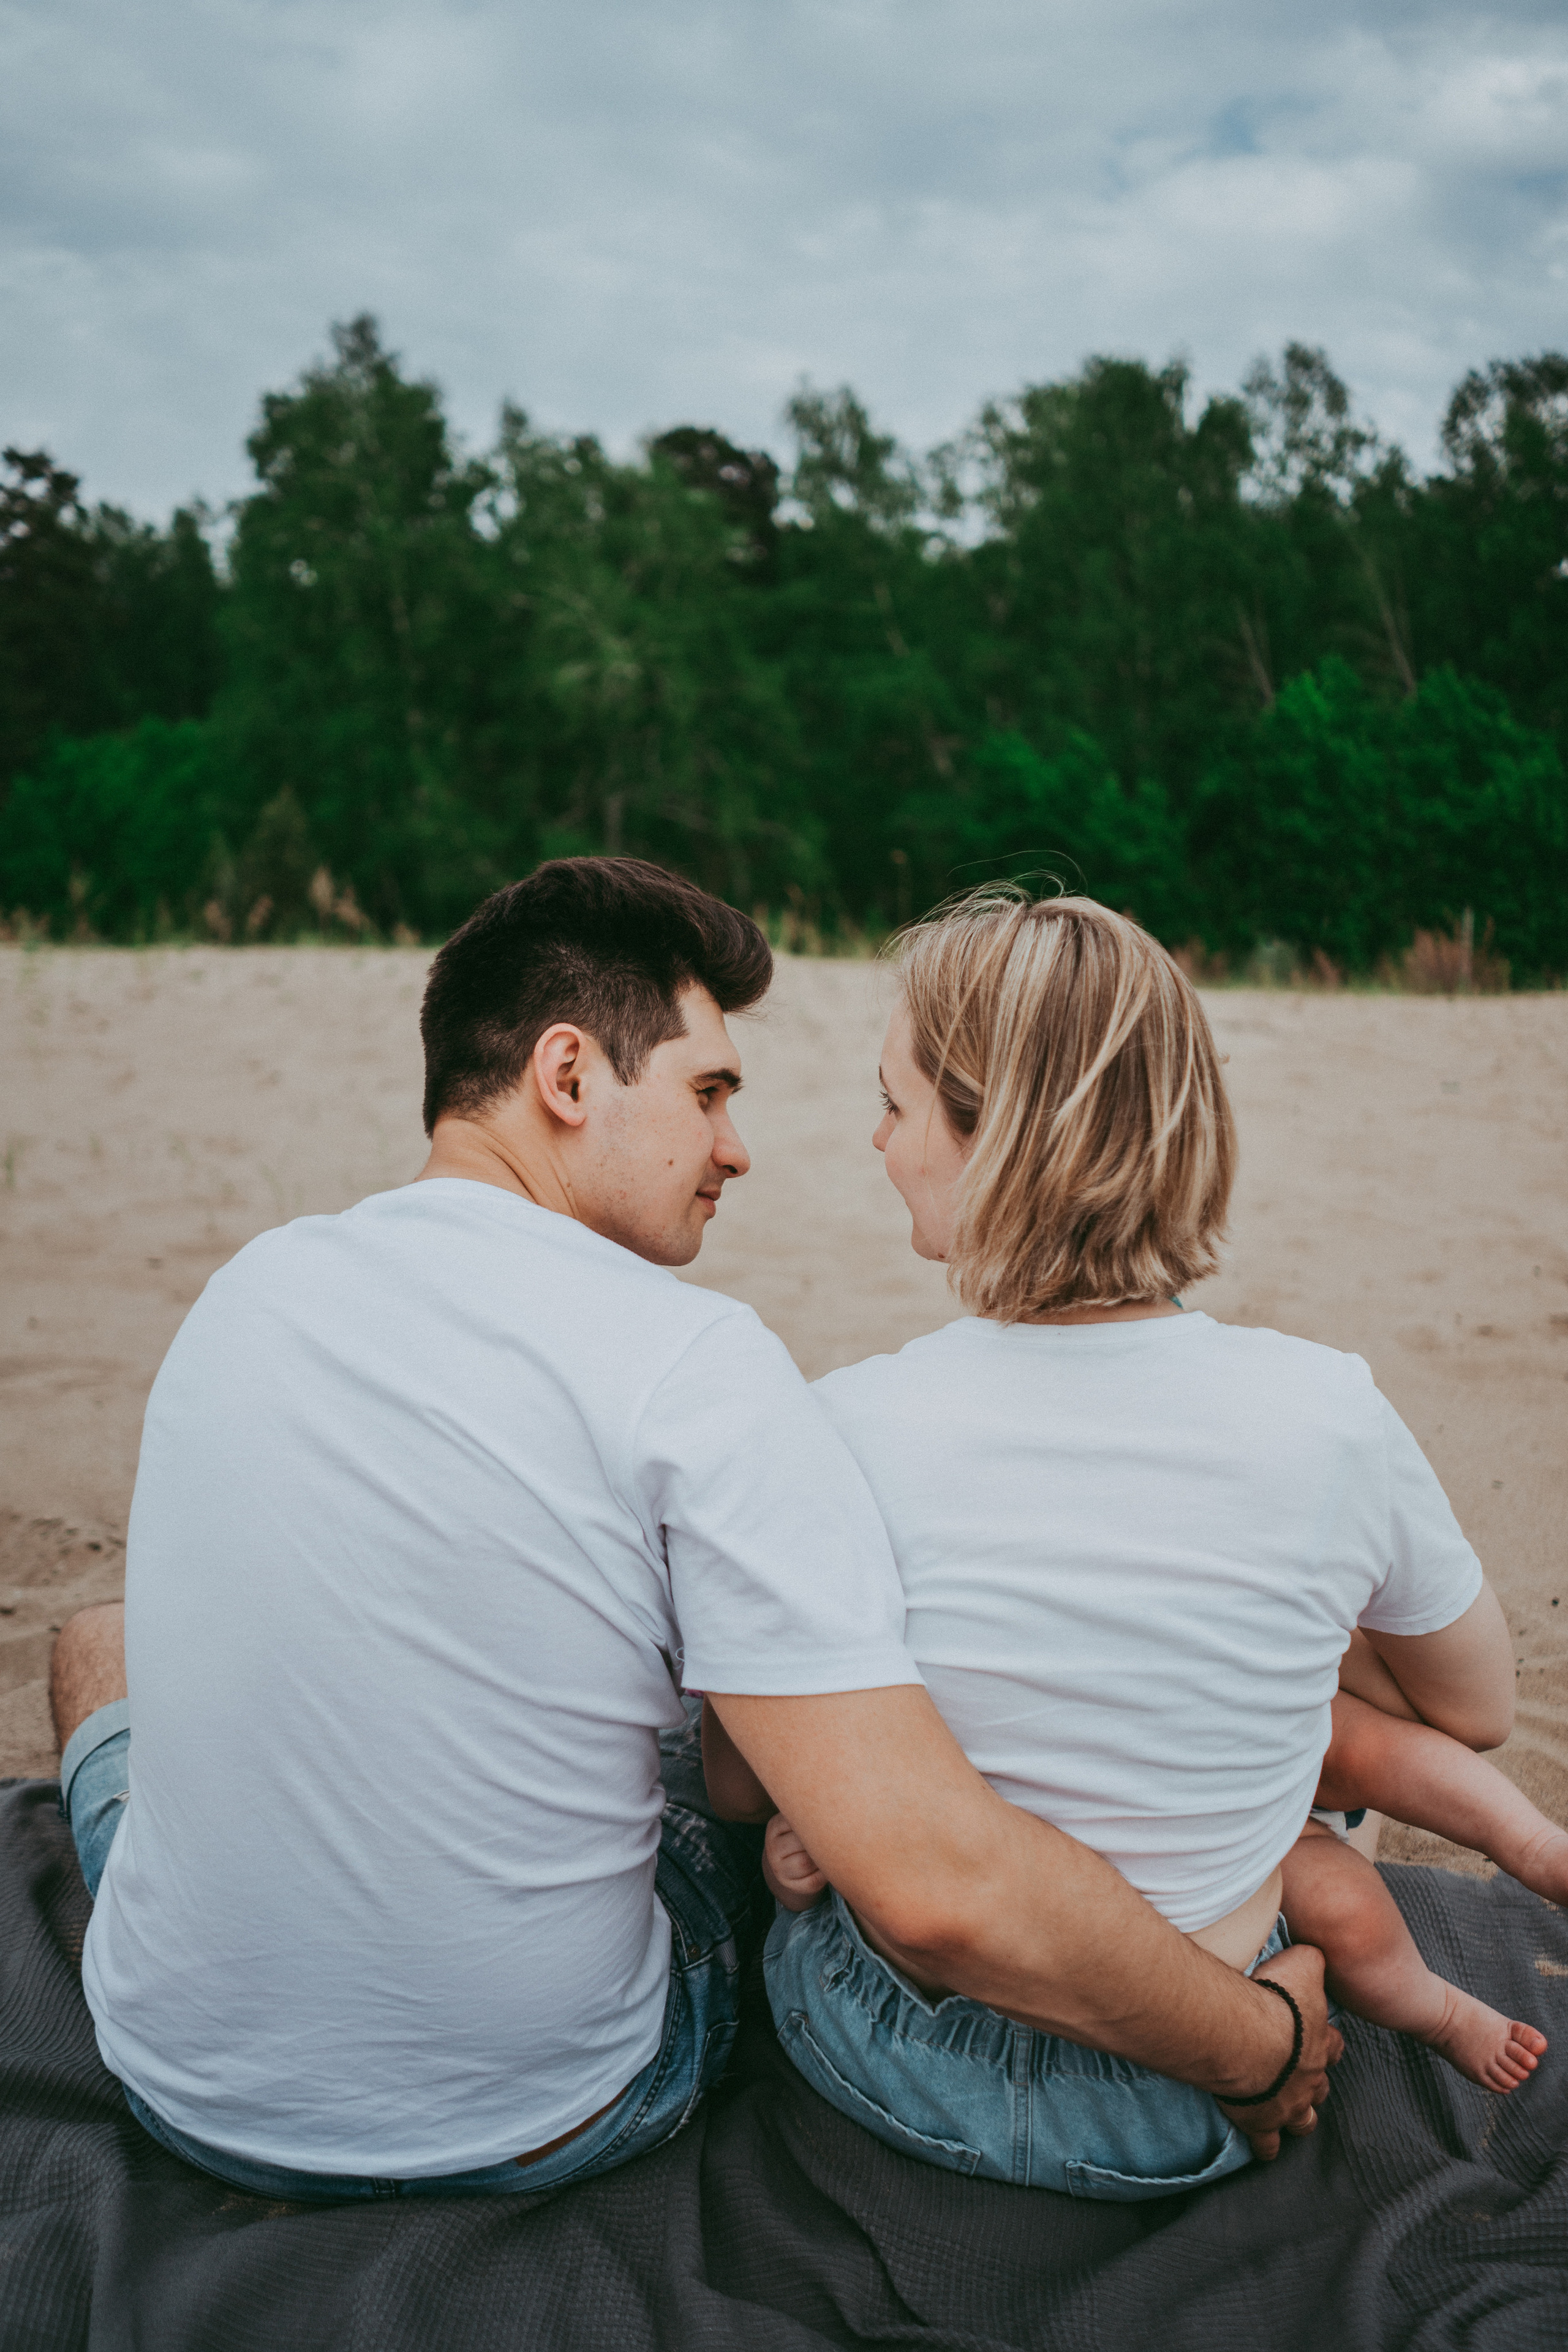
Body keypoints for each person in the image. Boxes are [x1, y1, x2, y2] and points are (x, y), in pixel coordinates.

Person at [50, 858, 1333, 2205]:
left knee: (100, 1643)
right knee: (747, 1779)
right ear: (566, 1076)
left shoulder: (250, 1288)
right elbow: (932, 1890)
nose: (737, 1147)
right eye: (708, 1092)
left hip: (179, 2080)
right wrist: (1260, 2048)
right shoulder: (693, 1361)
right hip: (550, 2112)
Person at [721, 887, 1553, 2199]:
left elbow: (740, 1769)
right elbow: (1477, 1708)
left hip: (905, 2060)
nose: (875, 1142)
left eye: (893, 1104)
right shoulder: (1326, 1412)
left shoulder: (850, 1424)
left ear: (988, 1135)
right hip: (1196, 2088)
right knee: (1308, 1738)